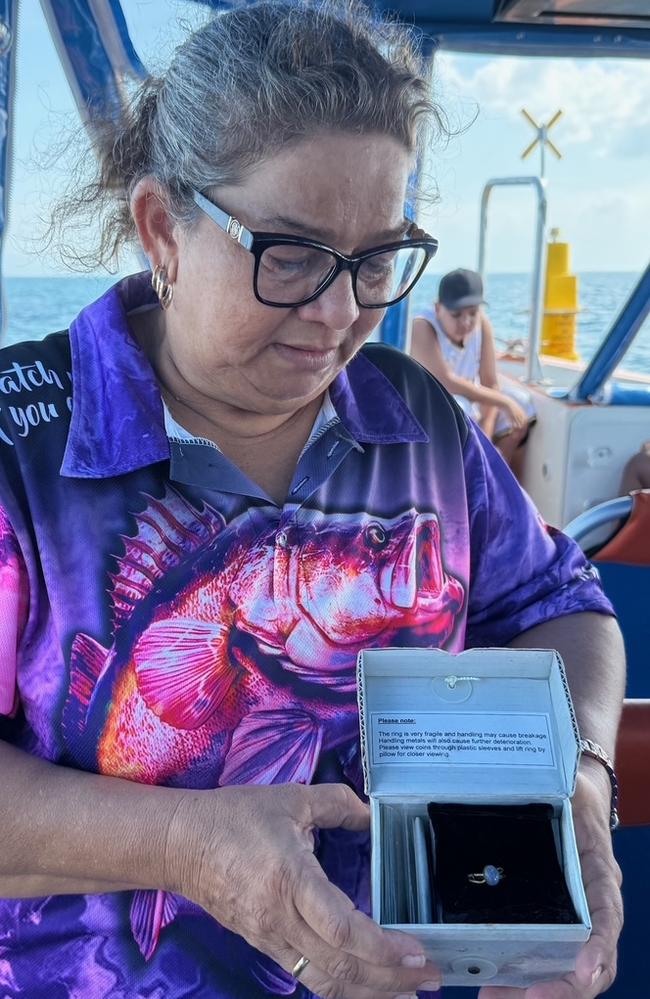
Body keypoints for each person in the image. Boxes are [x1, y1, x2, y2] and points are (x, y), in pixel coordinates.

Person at [0, 2, 624, 997]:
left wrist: (579, 784)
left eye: (377, 258)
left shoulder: (414, 413)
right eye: (287, 252)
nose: (339, 314)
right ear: (163, 229)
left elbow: (558, 606)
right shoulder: (16, 443)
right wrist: (184, 846)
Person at [410, 268, 536, 467]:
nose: (466, 321)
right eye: (456, 314)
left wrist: (487, 432)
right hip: (433, 407)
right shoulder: (422, 326)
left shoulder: (482, 324)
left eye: (472, 313)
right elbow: (446, 382)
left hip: (472, 401)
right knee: (461, 408)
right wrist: (503, 402)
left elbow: (490, 382)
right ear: (437, 308)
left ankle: (498, 473)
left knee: (523, 405)